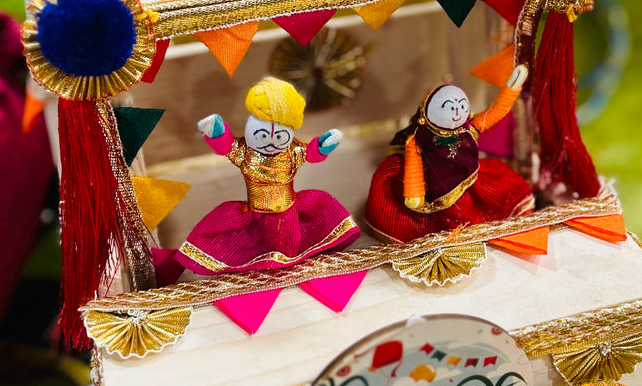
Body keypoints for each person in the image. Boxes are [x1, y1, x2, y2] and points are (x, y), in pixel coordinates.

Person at [176, 77, 359, 275]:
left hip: (287, 214)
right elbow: (226, 146)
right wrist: (217, 133)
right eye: (262, 135)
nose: (271, 142)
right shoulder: (245, 152)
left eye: (279, 136)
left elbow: (310, 153)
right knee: (242, 243)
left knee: (288, 248)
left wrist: (323, 146)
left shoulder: (292, 151)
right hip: (254, 215)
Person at [365, 66, 533, 242]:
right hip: (434, 191)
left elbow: (495, 112)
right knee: (434, 223)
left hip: (469, 186)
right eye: (449, 107)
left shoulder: (470, 126)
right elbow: (413, 166)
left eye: (461, 106)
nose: (457, 112)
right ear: (426, 114)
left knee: (487, 201)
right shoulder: (419, 139)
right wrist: (415, 193)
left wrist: (511, 88)